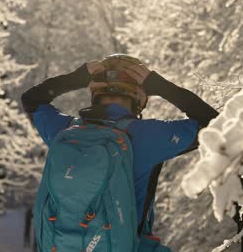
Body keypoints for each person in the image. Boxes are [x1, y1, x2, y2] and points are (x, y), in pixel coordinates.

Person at [21, 54, 220, 250]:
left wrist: (76, 78)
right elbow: (217, 126)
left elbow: (31, 100)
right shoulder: (148, 135)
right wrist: (160, 86)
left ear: (95, 93)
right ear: (140, 95)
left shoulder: (64, 130)